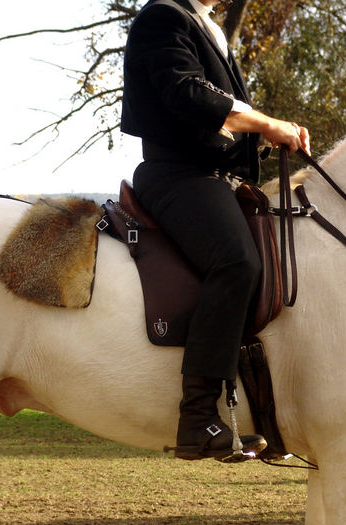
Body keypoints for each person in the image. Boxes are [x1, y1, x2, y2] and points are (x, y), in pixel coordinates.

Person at [121, 0, 310, 460]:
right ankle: (197, 417)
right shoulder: (164, 16)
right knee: (236, 261)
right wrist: (267, 123)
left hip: (218, 180)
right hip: (179, 176)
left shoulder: (209, 28)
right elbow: (187, 93)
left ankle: (261, 412)